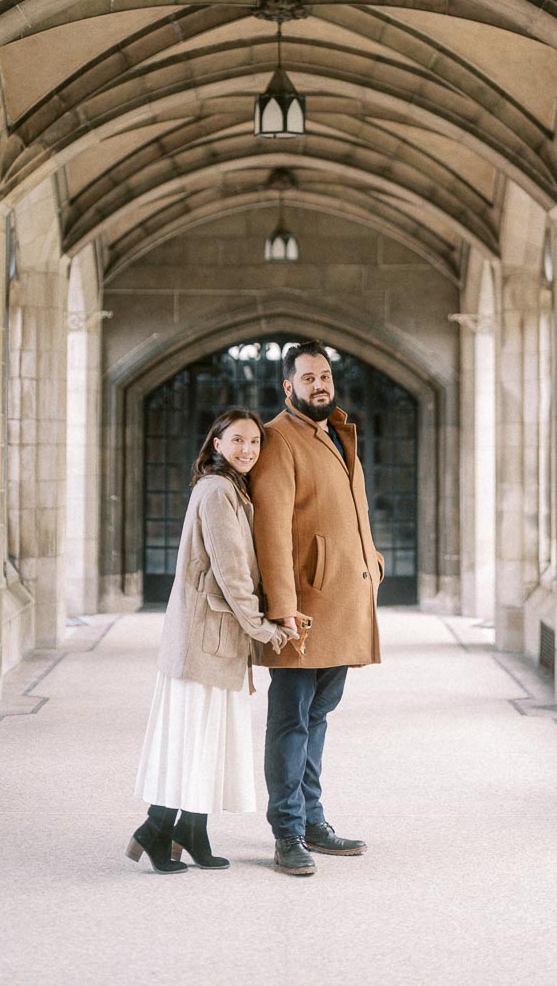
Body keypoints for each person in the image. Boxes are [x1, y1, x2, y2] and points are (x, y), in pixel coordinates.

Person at [128, 409, 294, 874]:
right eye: (237, 440)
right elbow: (231, 573)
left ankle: (189, 830)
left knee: (203, 739)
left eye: (255, 442)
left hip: (210, 638)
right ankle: (158, 828)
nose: (247, 450)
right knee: (194, 736)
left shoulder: (228, 489)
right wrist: (264, 628)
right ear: (216, 444)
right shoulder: (219, 491)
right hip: (207, 639)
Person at [249, 341, 384, 877]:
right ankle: (287, 831)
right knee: (291, 721)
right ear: (288, 387)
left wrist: (371, 559)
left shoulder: (333, 433)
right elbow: (271, 530)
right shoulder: (279, 440)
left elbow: (353, 508)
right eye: (307, 379)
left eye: (324, 376)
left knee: (317, 717)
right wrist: (281, 607)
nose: (318, 385)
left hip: (343, 603)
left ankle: (312, 820)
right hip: (303, 609)